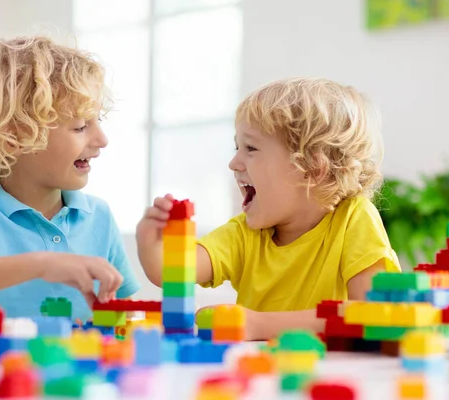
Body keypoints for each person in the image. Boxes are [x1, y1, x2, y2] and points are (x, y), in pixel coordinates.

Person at [136, 77, 401, 340]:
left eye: (250, 148)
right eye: (237, 146)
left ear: (311, 168)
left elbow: (371, 313)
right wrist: (152, 242)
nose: (234, 162)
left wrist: (260, 325)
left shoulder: (353, 219)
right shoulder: (245, 232)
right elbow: (172, 271)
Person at [0, 35, 140, 323]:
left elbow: (126, 319)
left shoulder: (98, 217)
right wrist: (41, 264)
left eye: (98, 121)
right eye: (81, 126)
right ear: (14, 137)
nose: (102, 140)